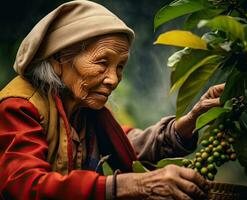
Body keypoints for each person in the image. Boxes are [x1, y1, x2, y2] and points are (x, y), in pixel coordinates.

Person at [0, 1, 224, 199]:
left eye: (120, 67)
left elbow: (127, 145)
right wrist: (126, 186)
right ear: (59, 58)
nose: (113, 79)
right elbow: (25, 185)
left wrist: (191, 121)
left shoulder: (83, 111)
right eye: (102, 63)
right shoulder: (19, 107)